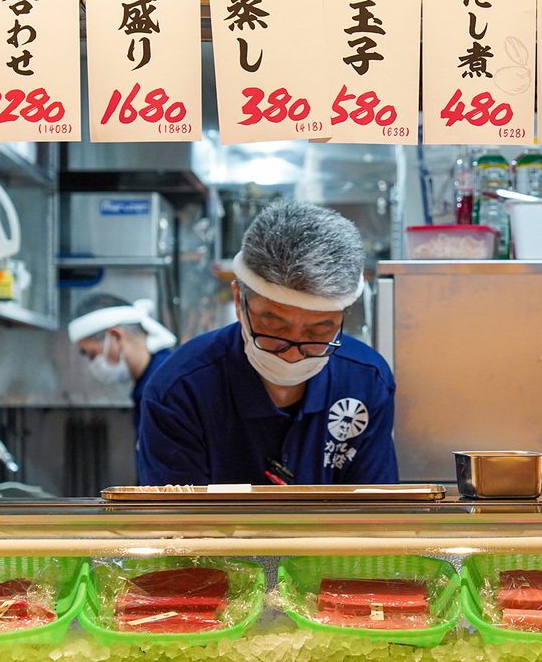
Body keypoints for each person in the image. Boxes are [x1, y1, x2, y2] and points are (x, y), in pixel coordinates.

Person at [137, 200, 398, 486]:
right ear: (239, 300)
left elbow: (377, 512)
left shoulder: (366, 380)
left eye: (317, 332)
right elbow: (176, 524)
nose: (293, 355)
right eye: (275, 328)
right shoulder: (179, 390)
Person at [68, 294, 177, 439]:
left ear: (116, 337)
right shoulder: (149, 383)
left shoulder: (167, 386)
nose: (93, 364)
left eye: (93, 354)